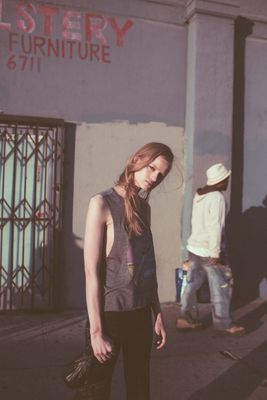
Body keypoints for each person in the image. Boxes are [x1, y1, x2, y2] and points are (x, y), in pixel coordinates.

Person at [76, 142, 174, 400]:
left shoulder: (145, 208)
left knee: (140, 389)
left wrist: (156, 311)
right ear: (137, 160)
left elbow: (146, 267)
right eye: (151, 168)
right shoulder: (102, 203)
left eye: (160, 174)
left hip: (141, 314)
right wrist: (96, 332)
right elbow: (90, 272)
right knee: (94, 392)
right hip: (110, 316)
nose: (154, 178)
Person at [176, 163, 245, 336]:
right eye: (226, 179)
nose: (227, 181)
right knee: (221, 286)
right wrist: (215, 253)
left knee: (192, 284)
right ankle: (223, 324)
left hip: (195, 248)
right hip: (209, 250)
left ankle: (186, 318)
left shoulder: (200, 194)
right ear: (221, 181)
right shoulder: (217, 198)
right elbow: (215, 227)